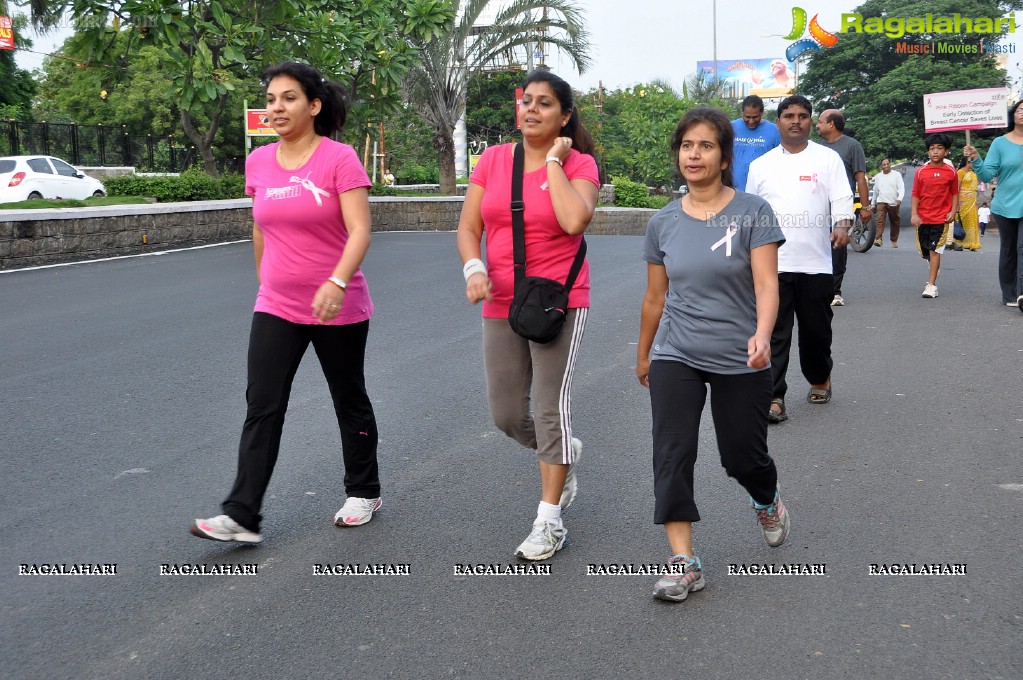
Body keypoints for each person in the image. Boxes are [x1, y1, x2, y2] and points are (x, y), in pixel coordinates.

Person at [191, 62, 381, 543]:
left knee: (348, 398)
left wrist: (336, 282)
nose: (276, 106)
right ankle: (242, 514)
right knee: (263, 404)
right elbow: (260, 225)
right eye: (272, 98)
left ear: (313, 106)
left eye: (288, 98)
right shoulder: (258, 162)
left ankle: (364, 490)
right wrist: (266, 279)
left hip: (335, 304)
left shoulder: (339, 158)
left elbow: (360, 229)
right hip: (276, 303)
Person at [637, 107, 789, 603]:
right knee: (672, 452)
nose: (694, 155)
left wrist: (764, 333)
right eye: (686, 146)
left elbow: (767, 282)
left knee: (741, 456)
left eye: (705, 145)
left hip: (741, 354)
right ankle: (684, 562)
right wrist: (645, 356)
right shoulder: (662, 223)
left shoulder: (752, 211)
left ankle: (765, 499)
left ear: (724, 156)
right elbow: (655, 298)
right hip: (675, 351)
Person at [456, 70, 599, 561]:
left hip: (558, 302)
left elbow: (574, 220)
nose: (531, 110)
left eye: (544, 103)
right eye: (526, 102)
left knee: (547, 406)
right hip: (500, 299)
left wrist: (555, 164)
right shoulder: (493, 160)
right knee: (505, 414)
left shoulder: (580, 163)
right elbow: (469, 226)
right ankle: (563, 453)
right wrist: (474, 267)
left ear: (564, 115)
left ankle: (549, 521)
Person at [747, 95, 853, 424]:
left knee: (815, 333)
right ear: (777, 122)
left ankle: (820, 377)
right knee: (775, 333)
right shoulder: (760, 165)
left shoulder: (827, 159)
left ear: (810, 122)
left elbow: (842, 197)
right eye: (789, 115)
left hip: (816, 262)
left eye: (803, 116)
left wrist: (842, 224)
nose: (796, 120)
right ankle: (774, 396)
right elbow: (751, 210)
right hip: (772, 265)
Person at [964, 99, 1023, 311]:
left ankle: (1021, 293)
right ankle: (1010, 294)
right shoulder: (999, 143)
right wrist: (976, 158)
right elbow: (988, 174)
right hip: (1006, 206)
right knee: (1009, 250)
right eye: (1020, 110)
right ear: (1013, 115)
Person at [816, 109, 870, 307]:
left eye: (820, 122)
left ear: (831, 124)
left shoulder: (852, 146)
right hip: (818, 207)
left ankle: (835, 291)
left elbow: (860, 178)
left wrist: (865, 207)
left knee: (838, 248)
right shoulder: (817, 148)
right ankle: (820, 287)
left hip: (841, 206)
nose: (817, 125)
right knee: (820, 248)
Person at [911, 133, 959, 299]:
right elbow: (916, 193)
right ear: (928, 152)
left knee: (935, 250)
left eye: (939, 148)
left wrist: (953, 211)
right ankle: (933, 264)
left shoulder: (951, 172)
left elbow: (954, 194)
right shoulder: (920, 171)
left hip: (941, 218)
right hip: (923, 218)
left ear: (946, 151)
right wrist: (914, 214)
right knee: (924, 251)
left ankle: (931, 285)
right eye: (932, 149)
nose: (936, 152)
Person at [730, 95, 781, 191]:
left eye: (755, 117)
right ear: (742, 113)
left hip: (763, 189)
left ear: (762, 113)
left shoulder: (775, 131)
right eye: (747, 117)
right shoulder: (731, 128)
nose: (751, 121)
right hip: (734, 190)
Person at [872, 158, 904, 248]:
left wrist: (899, 198)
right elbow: (875, 191)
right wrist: (873, 203)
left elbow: (901, 188)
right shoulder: (878, 177)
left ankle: (894, 240)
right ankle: (878, 239)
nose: (886, 166)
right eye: (884, 165)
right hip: (881, 201)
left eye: (887, 164)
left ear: (890, 164)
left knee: (895, 221)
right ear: (881, 167)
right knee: (879, 220)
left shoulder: (896, 175)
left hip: (894, 202)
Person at [957, 158, 981, 251]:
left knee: (972, 221)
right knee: (962, 220)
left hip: (972, 201)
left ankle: (971, 242)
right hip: (962, 201)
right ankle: (960, 242)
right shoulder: (960, 172)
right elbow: (956, 187)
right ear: (968, 162)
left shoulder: (973, 173)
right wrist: (957, 203)